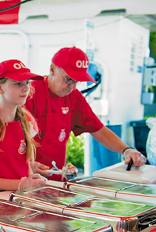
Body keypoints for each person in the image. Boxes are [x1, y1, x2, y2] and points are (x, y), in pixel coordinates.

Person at [24, 47, 147, 179]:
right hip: (24, 177)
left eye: (77, 81)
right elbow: (7, 139)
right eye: (68, 79)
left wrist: (126, 150)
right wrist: (25, 164)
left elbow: (99, 130)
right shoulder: (27, 94)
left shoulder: (74, 97)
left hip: (55, 180)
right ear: (52, 69)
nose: (73, 86)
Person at [0, 60, 48, 192]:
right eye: (18, 83)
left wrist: (31, 180)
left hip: (19, 200)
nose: (26, 88)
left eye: (27, 83)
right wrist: (21, 185)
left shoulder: (27, 120)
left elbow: (25, 167)